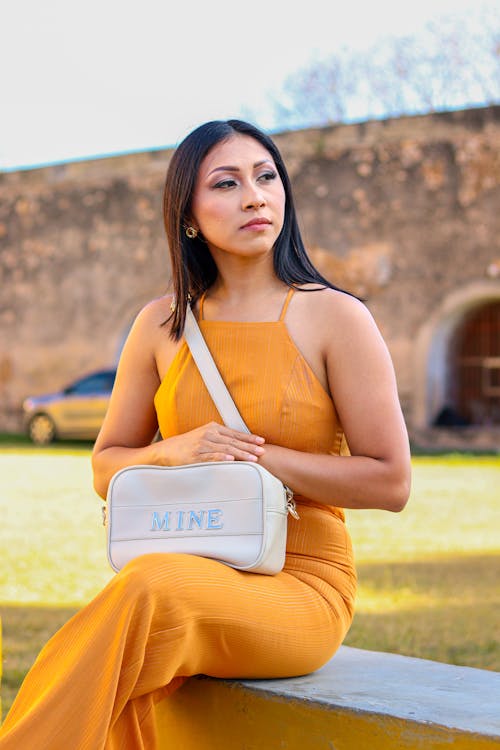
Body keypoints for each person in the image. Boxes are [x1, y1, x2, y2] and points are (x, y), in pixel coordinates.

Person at [0, 119, 411, 749]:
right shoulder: (160, 327)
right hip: (188, 565)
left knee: (145, 589)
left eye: (266, 176)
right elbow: (105, 466)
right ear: (188, 217)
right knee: (140, 624)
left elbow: (391, 480)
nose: (255, 196)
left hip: (300, 586)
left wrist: (263, 460)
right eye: (226, 183)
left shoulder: (335, 316)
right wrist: (174, 451)